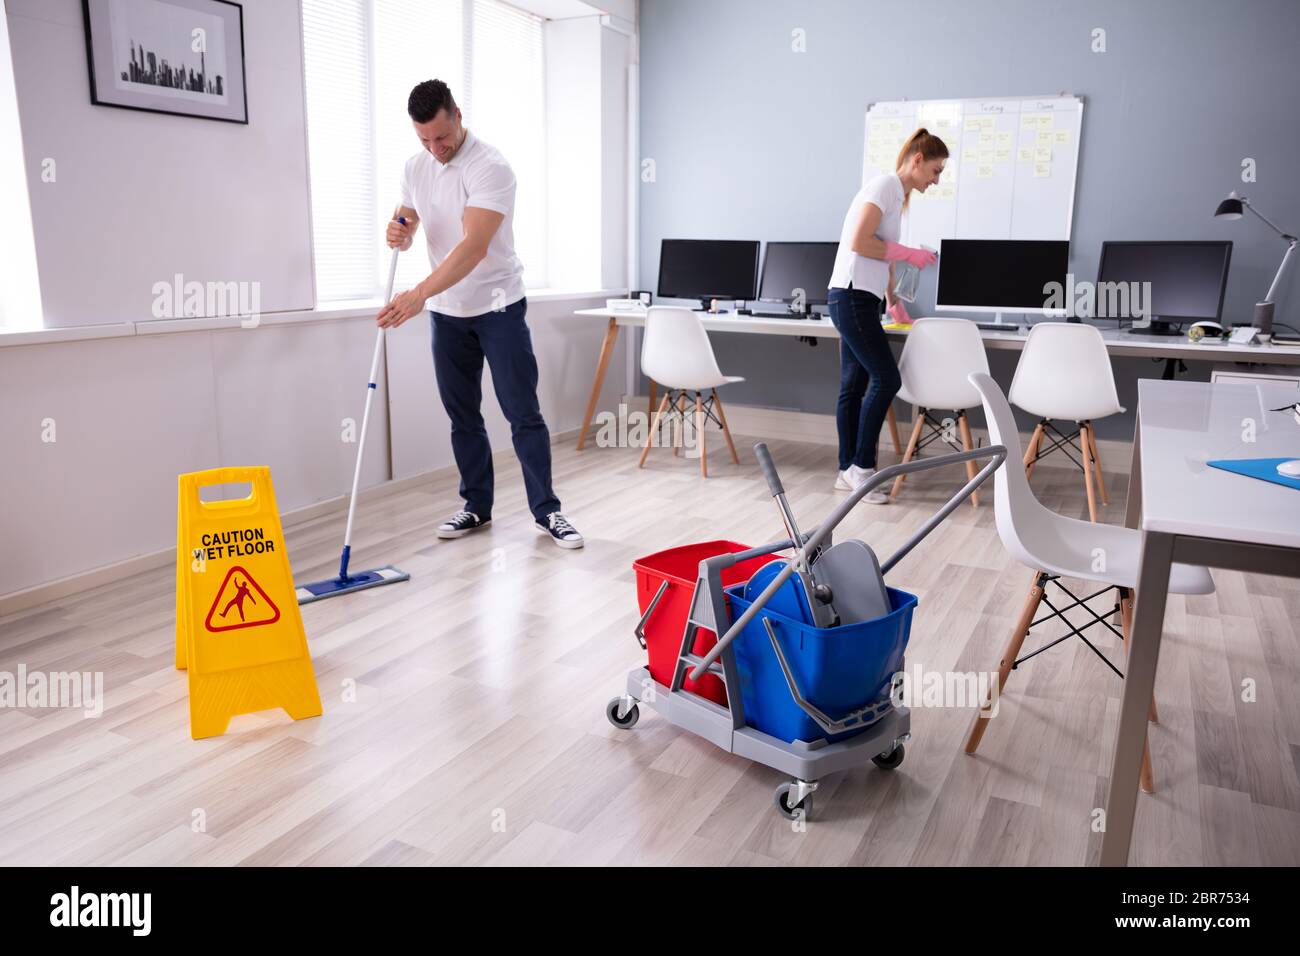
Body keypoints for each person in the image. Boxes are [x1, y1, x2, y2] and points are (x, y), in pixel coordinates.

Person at [376, 80, 583, 549]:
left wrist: (418, 295)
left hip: (497, 307)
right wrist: (399, 233)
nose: (436, 148)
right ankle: (476, 506)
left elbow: (472, 247)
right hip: (448, 314)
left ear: (458, 115)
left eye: (442, 137)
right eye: (424, 140)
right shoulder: (416, 166)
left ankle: (547, 511)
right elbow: (408, 222)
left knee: (521, 412)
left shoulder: (491, 167)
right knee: (462, 415)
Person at [826, 127, 947, 503]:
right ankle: (862, 469)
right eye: (935, 170)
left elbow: (881, 249)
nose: (937, 180)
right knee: (887, 379)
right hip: (850, 296)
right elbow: (860, 242)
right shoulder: (883, 186)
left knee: (854, 387)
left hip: (862, 298)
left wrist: (892, 299)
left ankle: (847, 472)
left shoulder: (899, 196)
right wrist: (910, 254)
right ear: (917, 160)